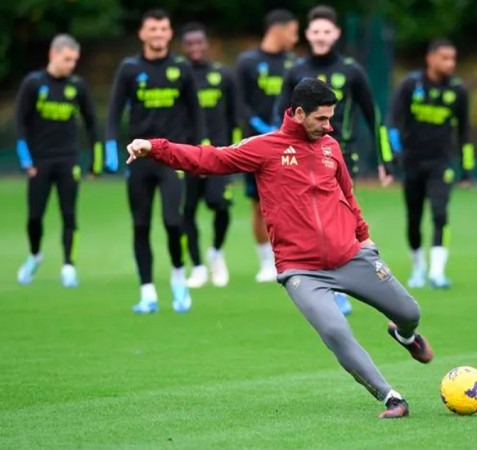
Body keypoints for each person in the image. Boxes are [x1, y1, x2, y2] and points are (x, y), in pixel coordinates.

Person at [125, 78, 433, 419]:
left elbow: (347, 194)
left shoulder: (331, 147)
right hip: (301, 270)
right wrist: (154, 147)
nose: (329, 126)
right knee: (334, 330)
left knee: (410, 312)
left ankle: (404, 336)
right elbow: (207, 159)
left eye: (331, 118)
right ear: (299, 113)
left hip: (351, 256)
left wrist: (363, 237)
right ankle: (391, 397)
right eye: (322, 119)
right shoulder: (265, 148)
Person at [275, 4, 395, 315]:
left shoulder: (351, 71)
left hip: (341, 156)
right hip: (301, 159)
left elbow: (373, 115)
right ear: (307, 34)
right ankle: (319, 281)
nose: (321, 36)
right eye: (316, 31)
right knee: (310, 219)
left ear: (336, 34)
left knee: (338, 220)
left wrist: (385, 158)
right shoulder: (295, 71)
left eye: (327, 31)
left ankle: (341, 287)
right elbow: (281, 115)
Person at [106, 9, 209, 313]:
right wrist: (111, 148)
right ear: (142, 33)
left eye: (163, 29)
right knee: (140, 225)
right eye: (152, 29)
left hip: (172, 158)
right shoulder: (129, 68)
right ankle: (147, 292)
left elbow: (196, 114)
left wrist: (202, 151)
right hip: (138, 159)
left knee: (172, 221)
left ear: (169, 33)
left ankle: (178, 276)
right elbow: (113, 112)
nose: (158, 34)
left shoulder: (181, 68)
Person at [15, 34, 104, 287]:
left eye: (75, 60)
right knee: (35, 217)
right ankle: (35, 255)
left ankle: (68, 266)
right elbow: (20, 124)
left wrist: (95, 163)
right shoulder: (33, 84)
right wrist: (26, 161)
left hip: (68, 160)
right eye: (67, 59)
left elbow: (91, 124)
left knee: (69, 215)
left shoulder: (77, 86)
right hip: (39, 162)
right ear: (53, 55)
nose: (71, 65)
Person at [388, 39, 474, 290]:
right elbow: (392, 122)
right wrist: (394, 156)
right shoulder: (410, 85)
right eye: (445, 58)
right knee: (414, 218)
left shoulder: (458, 90)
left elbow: (465, 132)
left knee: (440, 213)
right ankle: (418, 267)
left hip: (441, 164)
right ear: (430, 58)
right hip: (412, 162)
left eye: (453, 59)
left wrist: (467, 168)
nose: (450, 64)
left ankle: (437, 271)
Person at [234, 9, 299, 284]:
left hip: (290, 145)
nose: (295, 38)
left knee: (294, 204)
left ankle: (294, 259)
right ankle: (265, 263)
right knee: (259, 205)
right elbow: (239, 102)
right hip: (258, 145)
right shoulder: (248, 62)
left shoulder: (296, 65)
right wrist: (262, 127)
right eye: (293, 32)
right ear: (278, 29)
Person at [181, 22, 239, 288]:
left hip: (219, 156)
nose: (195, 48)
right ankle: (197, 266)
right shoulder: (179, 76)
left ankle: (216, 252)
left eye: (199, 43)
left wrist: (237, 153)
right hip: (187, 156)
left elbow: (235, 117)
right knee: (187, 211)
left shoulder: (223, 76)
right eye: (189, 44)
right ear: (184, 47)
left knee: (220, 205)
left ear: (207, 45)